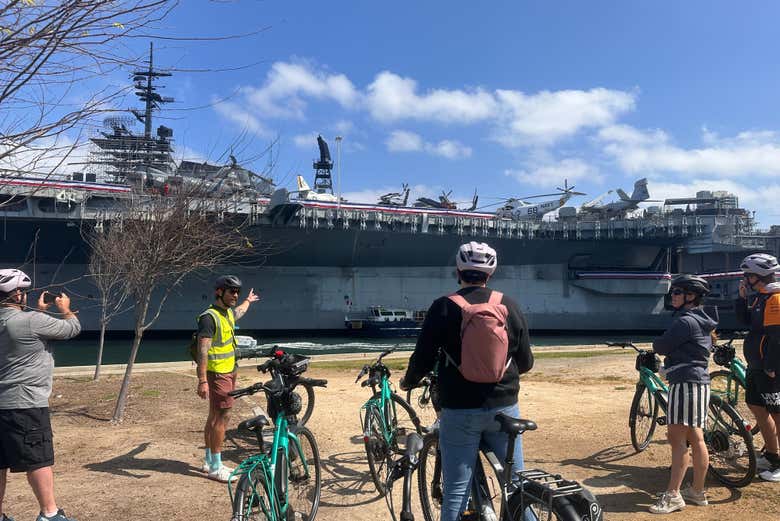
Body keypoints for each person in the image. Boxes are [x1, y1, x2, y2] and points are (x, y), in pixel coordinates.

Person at [400, 242, 533, 521]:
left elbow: (423, 357)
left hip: (459, 408)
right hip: (505, 407)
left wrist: (408, 381)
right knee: (518, 487)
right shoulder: (509, 305)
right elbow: (526, 362)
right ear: (491, 273)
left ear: (458, 271)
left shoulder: (443, 307)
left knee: (456, 491)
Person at [0, 269, 81, 521]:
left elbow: (26, 338)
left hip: (3, 402)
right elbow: (72, 328)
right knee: (39, 460)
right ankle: (50, 514)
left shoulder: (21, 321)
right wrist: (65, 308)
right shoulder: (31, 320)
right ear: (17, 295)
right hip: (26, 403)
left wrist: (40, 311)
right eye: (22, 291)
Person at [648, 274, 717, 514]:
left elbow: (661, 346)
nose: (672, 295)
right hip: (698, 382)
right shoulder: (701, 320)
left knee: (677, 440)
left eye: (677, 292)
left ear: (691, 296)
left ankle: (674, 494)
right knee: (696, 438)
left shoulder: (685, 321)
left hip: (685, 382)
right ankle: (697, 491)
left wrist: (657, 346)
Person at [196, 275, 259, 482]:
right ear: (219, 292)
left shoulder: (227, 314)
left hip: (229, 371)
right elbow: (202, 351)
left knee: (213, 416)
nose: (235, 295)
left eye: (237, 292)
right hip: (218, 374)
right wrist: (202, 380)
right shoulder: (209, 317)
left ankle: (207, 460)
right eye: (231, 291)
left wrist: (247, 301)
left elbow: (238, 312)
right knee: (223, 417)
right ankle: (216, 466)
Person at [735, 253, 780, 482]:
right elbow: (745, 322)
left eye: (747, 275)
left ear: (757, 276)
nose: (744, 278)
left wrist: (772, 366)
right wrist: (742, 298)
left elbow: (776, 337)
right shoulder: (759, 297)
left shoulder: (774, 299)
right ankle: (772, 454)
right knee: (757, 407)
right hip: (756, 364)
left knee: (777, 413)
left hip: (769, 367)